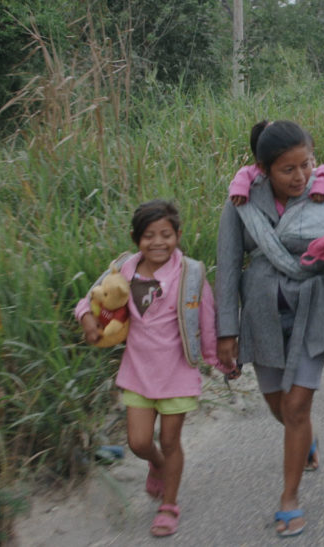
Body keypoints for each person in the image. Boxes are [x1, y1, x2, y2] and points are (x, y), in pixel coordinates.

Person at [215, 120, 324, 537]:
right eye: (288, 169)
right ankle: (306, 442)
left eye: (307, 164)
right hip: (261, 316)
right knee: (278, 408)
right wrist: (227, 330)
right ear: (263, 170)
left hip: (313, 310)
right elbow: (227, 265)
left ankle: (289, 498)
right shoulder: (241, 201)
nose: (301, 176)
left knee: (296, 409)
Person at [75, 200, 239, 537]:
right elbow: (90, 299)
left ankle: (169, 505)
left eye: (166, 234)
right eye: (149, 236)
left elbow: (207, 322)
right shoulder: (122, 270)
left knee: (170, 438)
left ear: (178, 235)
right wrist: (88, 321)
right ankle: (158, 466)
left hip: (177, 372)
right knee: (137, 442)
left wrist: (220, 360)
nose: (158, 242)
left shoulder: (191, 274)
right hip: (137, 371)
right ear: (136, 239)